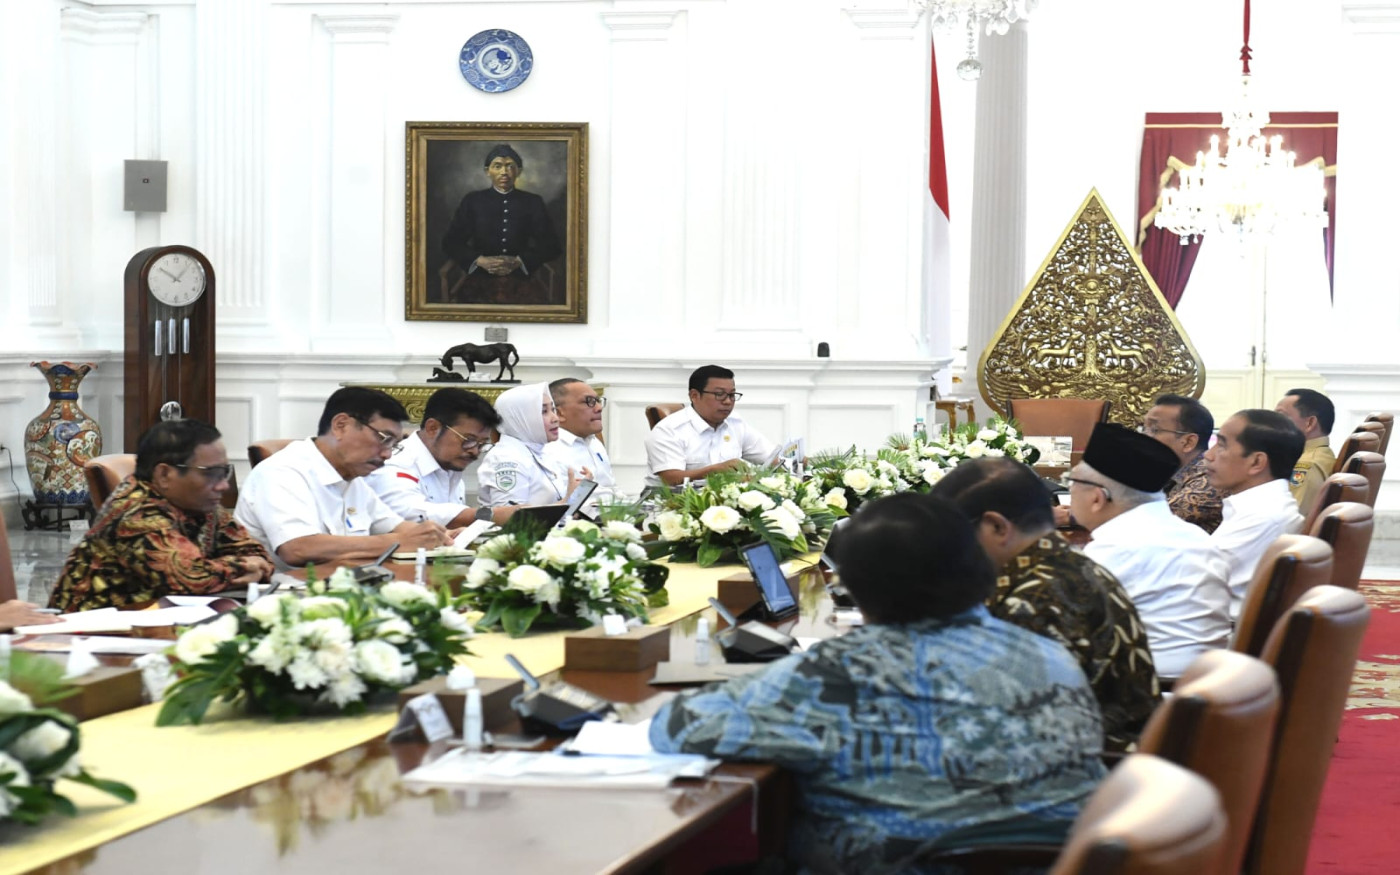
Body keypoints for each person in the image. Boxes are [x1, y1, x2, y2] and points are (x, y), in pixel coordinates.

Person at [650, 494, 1106, 871]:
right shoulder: (1048, 655)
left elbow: (677, 727)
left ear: (855, 587)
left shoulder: (837, 671)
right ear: (982, 568)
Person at [931, 457, 1160, 752]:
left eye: (953, 537)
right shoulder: (1069, 567)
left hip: (1089, 764)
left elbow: (1005, 729)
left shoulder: (1035, 601)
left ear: (997, 527)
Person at [49, 419, 274, 612]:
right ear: (164, 474)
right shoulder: (136, 513)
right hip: (88, 634)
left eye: (224, 472)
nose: (223, 485)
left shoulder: (199, 503)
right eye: (212, 473)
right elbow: (190, 578)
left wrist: (249, 564)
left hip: (153, 624)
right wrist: (245, 566)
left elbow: (256, 554)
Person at [1073, 423, 1232, 680]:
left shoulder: (1113, 550)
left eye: (1071, 482)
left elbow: (1068, 630)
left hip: (1150, 689)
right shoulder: (1196, 535)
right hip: (1208, 682)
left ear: (1097, 498)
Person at [234, 388, 452, 570]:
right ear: (341, 425)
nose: (387, 454)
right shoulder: (282, 471)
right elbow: (297, 548)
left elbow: (395, 527)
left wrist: (442, 536)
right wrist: (397, 542)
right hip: (283, 596)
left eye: (394, 445)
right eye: (384, 439)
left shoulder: (352, 478)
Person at [367, 387, 519, 528]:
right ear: (432, 428)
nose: (474, 451)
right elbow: (411, 515)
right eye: (469, 440)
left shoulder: (450, 466)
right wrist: (491, 515)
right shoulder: (395, 464)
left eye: (482, 444)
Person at [1206, 409, 1306, 620]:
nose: (1209, 455)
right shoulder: (1262, 505)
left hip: (1215, 630)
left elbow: (1190, 579)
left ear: (1256, 462)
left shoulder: (1262, 517)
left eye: (1221, 445)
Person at [441, 144, 562, 306]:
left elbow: (552, 245)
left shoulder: (533, 202)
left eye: (510, 166)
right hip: (479, 277)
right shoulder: (472, 201)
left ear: (519, 171)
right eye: (497, 166)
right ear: (487, 171)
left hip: (522, 278)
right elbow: (450, 242)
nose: (504, 172)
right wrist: (479, 260)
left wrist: (519, 261)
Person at [644, 364, 776, 487]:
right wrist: (716, 470)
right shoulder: (669, 430)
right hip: (672, 501)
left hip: (723, 499)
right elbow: (671, 478)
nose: (728, 401)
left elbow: (772, 459)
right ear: (694, 396)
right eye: (719, 394)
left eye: (732, 395)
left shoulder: (735, 423)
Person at [477, 382, 577, 507]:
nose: (555, 418)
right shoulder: (506, 458)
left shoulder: (541, 450)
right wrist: (567, 500)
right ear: (519, 418)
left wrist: (577, 493)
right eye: (544, 411)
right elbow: (511, 516)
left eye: (553, 410)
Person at [1144, 394, 1224, 533]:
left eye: (1154, 430)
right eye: (1143, 428)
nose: (1143, 436)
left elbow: (1146, 525)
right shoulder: (1166, 471)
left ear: (1188, 442)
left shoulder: (1209, 480)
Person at [543, 378, 617, 499]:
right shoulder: (549, 450)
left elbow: (612, 489)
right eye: (589, 402)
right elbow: (561, 503)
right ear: (559, 413)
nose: (599, 408)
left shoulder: (594, 442)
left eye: (598, 401)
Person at [1275, 388, 1337, 512]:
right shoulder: (1321, 454)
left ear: (1310, 423)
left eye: (1280, 417)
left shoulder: (1306, 465)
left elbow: (1293, 519)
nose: (1272, 424)